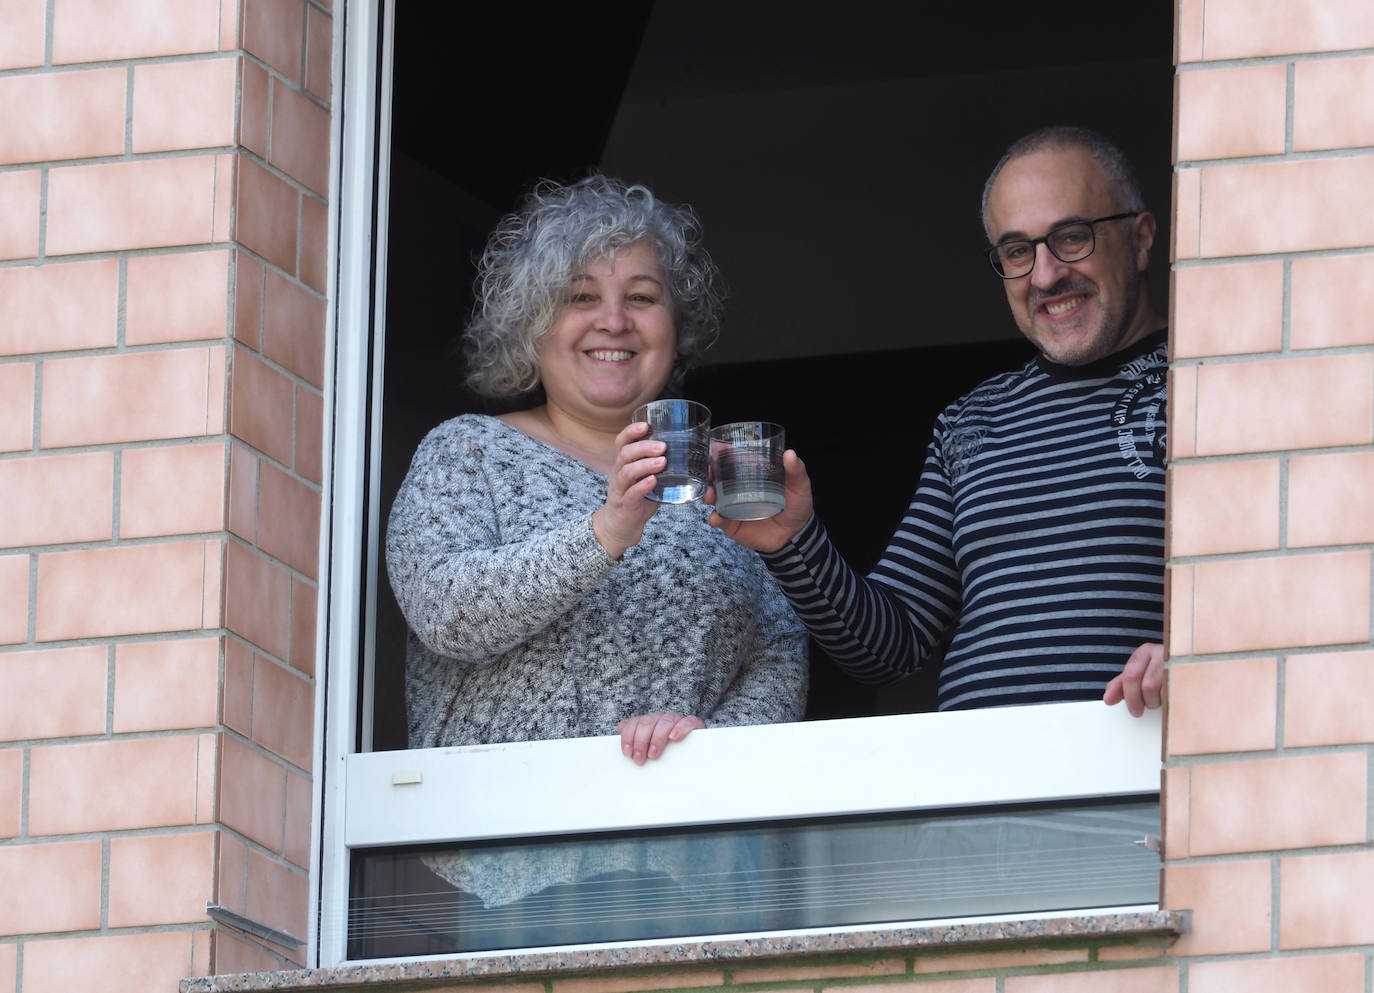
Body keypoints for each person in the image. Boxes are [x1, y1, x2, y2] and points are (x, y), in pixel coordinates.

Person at [711, 125, 1167, 716]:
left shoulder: (1223, 388)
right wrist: (795, 542)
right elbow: (888, 649)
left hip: (1140, 790)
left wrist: (1207, 652)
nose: (1047, 275)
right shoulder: (972, 421)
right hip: (976, 796)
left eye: (1072, 237)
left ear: (1140, 239)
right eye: (1017, 252)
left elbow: (1300, 575)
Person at [385, 174, 808, 767]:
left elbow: (781, 647)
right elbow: (445, 612)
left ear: (675, 327)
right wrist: (604, 532)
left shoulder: (716, 473)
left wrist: (702, 747)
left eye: (641, 297)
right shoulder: (467, 450)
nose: (614, 321)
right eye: (581, 297)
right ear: (533, 324)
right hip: (506, 839)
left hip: (683, 839)